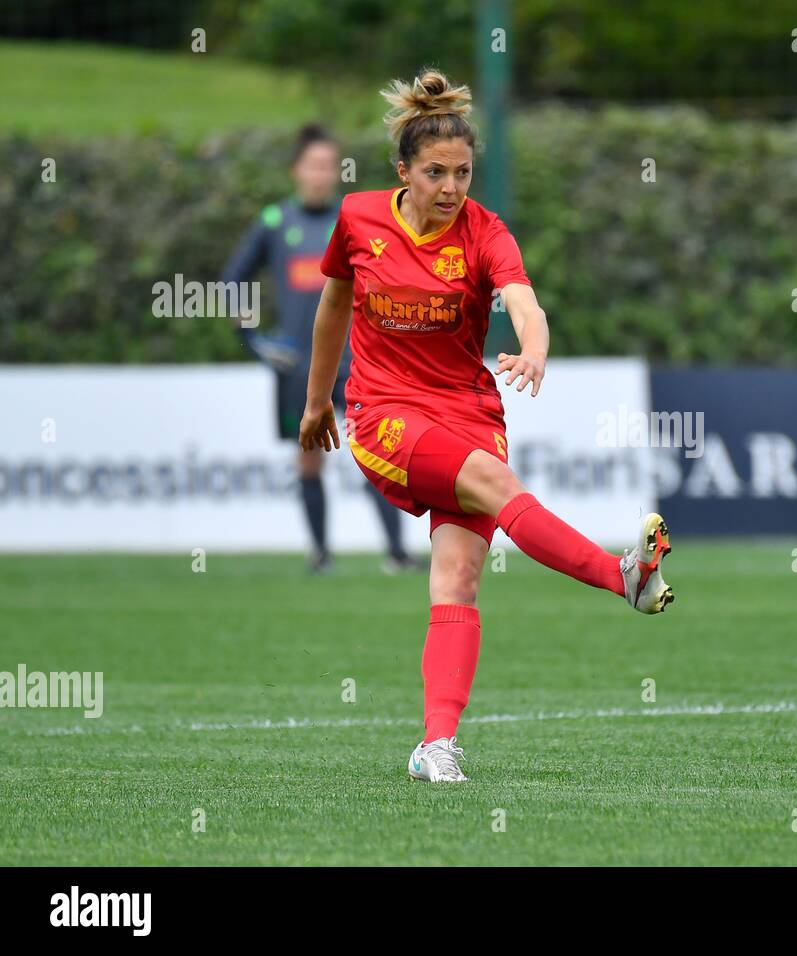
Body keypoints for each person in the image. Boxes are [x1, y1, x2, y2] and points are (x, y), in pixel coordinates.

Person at [299, 69, 674, 783]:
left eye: (463, 173)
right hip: (384, 413)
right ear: (401, 171)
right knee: (494, 481)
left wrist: (533, 348)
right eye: (435, 173)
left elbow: (525, 303)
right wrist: (318, 402)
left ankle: (435, 745)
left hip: (468, 406)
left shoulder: (484, 230)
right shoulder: (358, 220)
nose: (450, 187)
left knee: (459, 577)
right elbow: (333, 310)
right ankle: (618, 575)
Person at [222, 124, 418, 574]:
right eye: (313, 165)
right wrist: (252, 338)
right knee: (309, 460)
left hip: (356, 363)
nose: (321, 174)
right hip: (298, 365)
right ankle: (320, 555)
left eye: (329, 166)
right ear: (296, 170)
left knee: (375, 455)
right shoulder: (274, 222)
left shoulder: (352, 220)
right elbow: (231, 281)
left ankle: (397, 553)